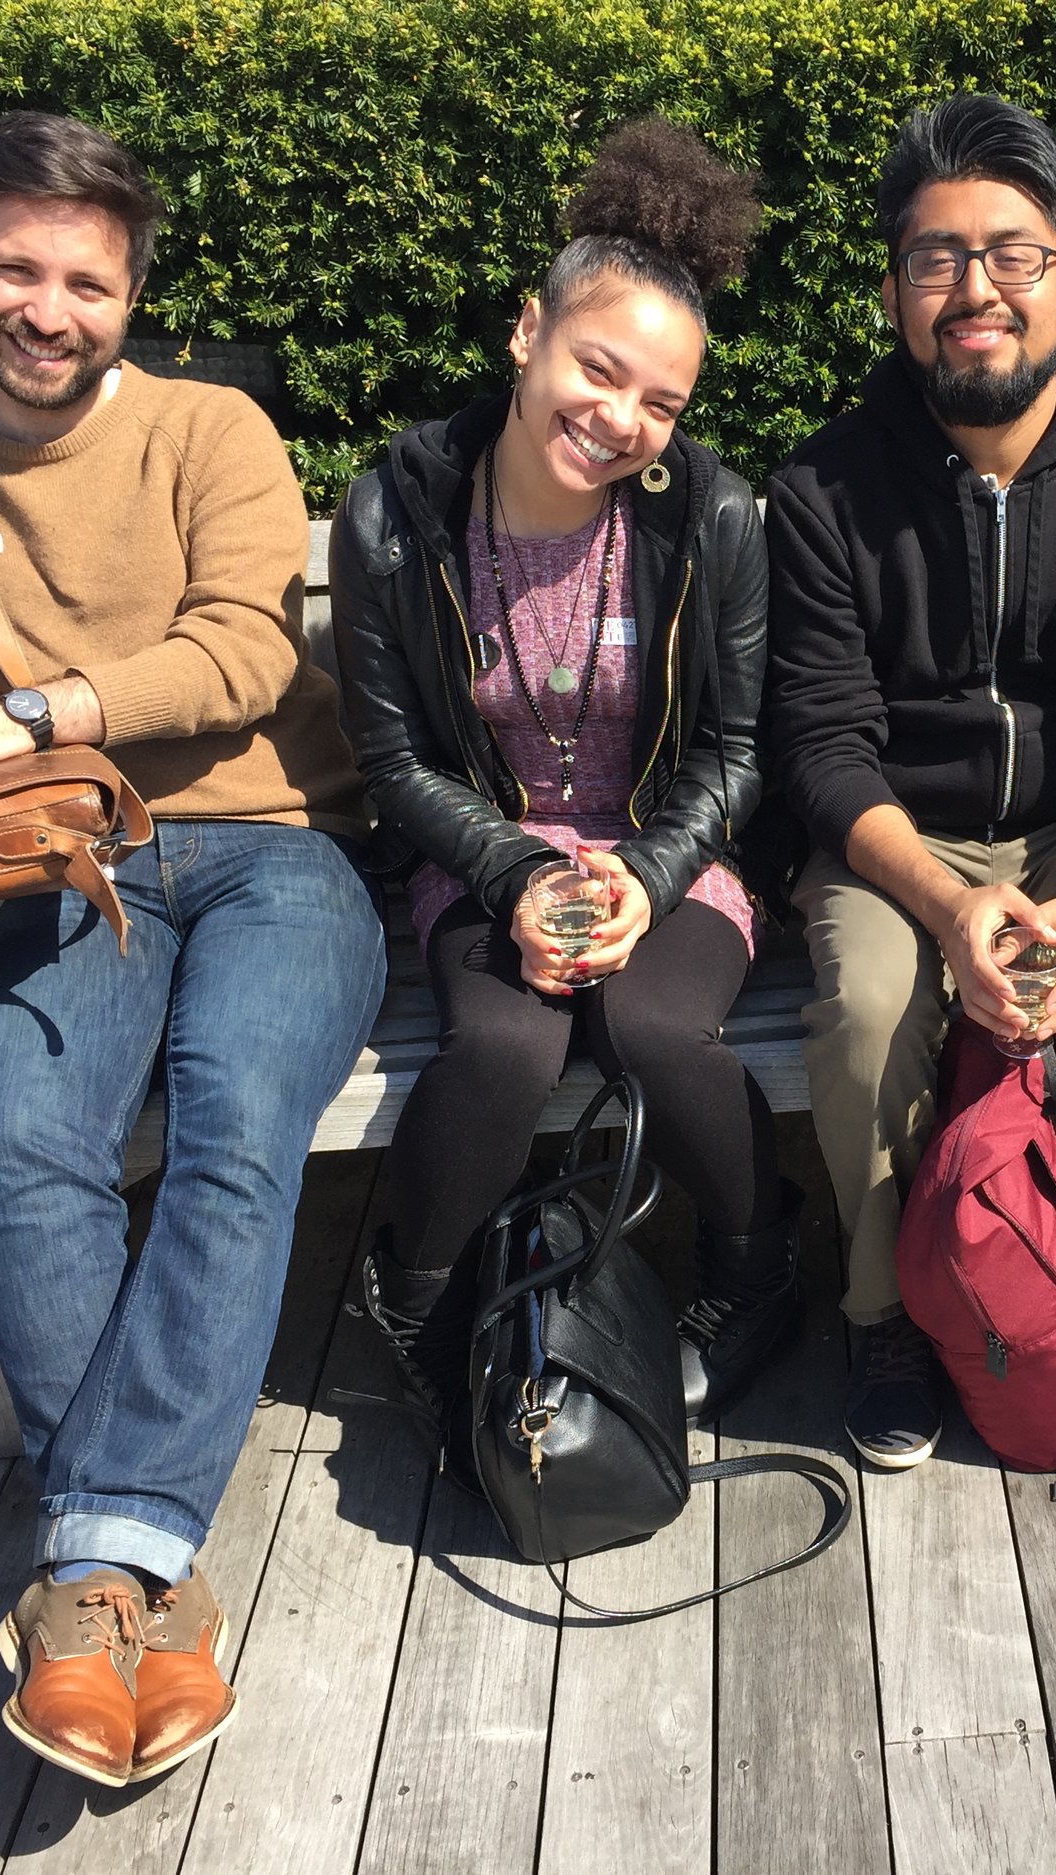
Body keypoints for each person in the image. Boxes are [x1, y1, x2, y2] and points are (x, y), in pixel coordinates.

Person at [0, 112, 384, 1784]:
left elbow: (246, 653)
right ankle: (138, 1577)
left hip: (278, 847)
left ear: (131, 294)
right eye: (18, 271)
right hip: (63, 863)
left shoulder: (213, 428)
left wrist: (21, 711)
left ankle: (81, 1570)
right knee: (27, 1133)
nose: (50, 309)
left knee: (233, 1125)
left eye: (88, 281)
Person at [768, 94, 1056, 1471]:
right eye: (935, 257)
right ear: (898, 294)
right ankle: (885, 1314)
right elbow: (823, 742)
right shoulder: (826, 491)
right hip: (898, 838)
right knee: (860, 1005)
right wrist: (942, 903)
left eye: (1013, 255)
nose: (975, 289)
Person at [330, 122, 792, 1431]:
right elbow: (394, 756)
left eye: (662, 401)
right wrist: (522, 870)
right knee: (506, 1042)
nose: (623, 421)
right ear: (528, 333)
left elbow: (736, 749)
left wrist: (646, 874)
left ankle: (759, 1269)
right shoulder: (397, 512)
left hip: (668, 849)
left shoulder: (712, 515)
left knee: (652, 1024)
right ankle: (413, 1297)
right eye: (601, 369)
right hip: (479, 850)